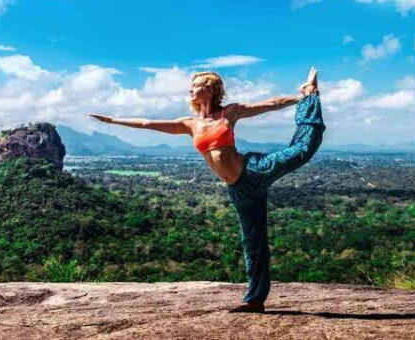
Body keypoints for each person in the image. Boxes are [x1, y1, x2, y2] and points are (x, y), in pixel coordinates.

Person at [88, 67, 326, 313]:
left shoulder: (229, 112)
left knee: (302, 150)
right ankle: (255, 299)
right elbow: (148, 123)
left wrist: (302, 98)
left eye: (196, 85)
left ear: (210, 89)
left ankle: (311, 94)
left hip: (254, 169)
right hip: (239, 189)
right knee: (253, 241)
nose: (191, 90)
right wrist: (113, 120)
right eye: (191, 86)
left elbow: (270, 103)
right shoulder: (190, 124)